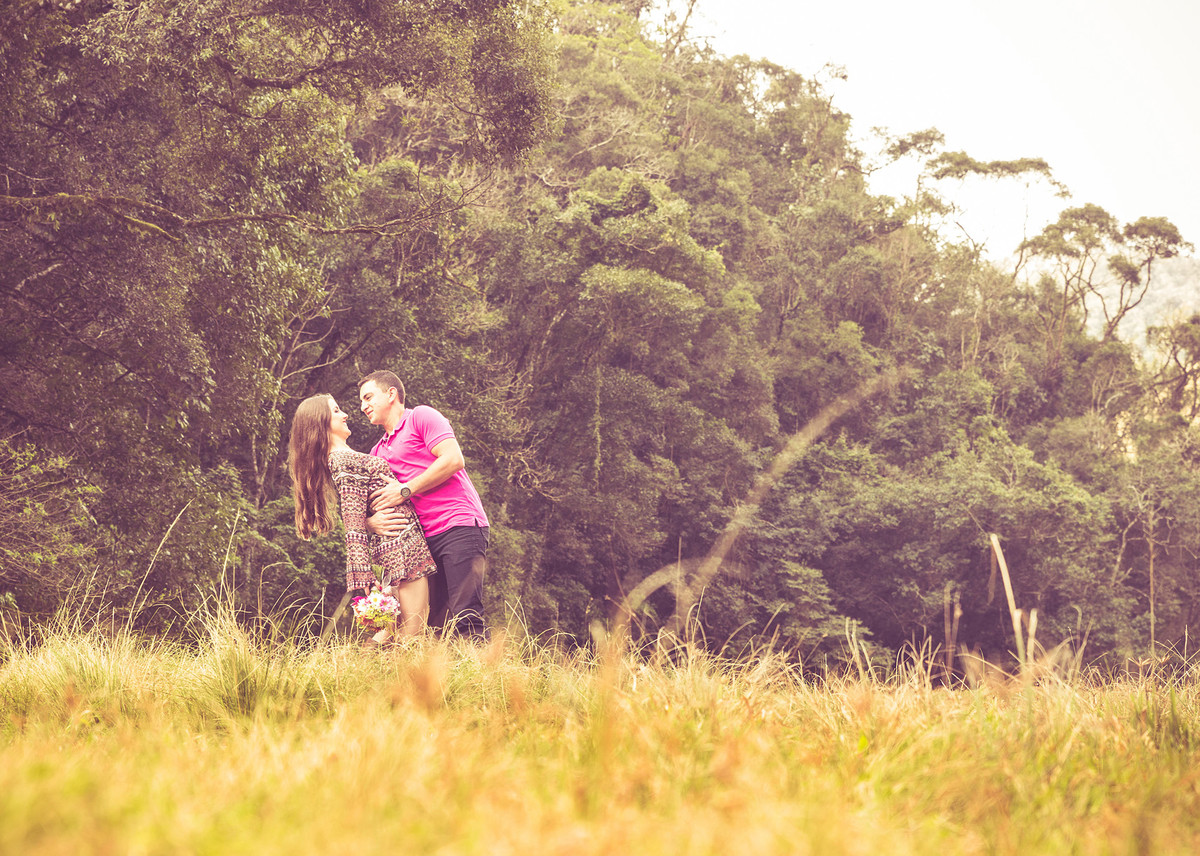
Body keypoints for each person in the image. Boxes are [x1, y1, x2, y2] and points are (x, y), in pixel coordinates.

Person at [288, 393, 436, 641]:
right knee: (413, 634)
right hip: (400, 548)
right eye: (336, 411)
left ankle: (364, 671)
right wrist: (361, 572)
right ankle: (367, 673)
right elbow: (353, 518)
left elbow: (358, 515)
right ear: (321, 422)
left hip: (397, 544)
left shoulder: (345, 458)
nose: (345, 414)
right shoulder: (343, 460)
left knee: (392, 633)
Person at [358, 370, 490, 640]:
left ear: (391, 393)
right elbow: (373, 506)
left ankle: (488, 681)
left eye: (369, 397)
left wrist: (405, 490)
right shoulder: (376, 453)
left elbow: (453, 459)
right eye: (362, 401)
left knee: (465, 615)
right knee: (431, 624)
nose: (363, 406)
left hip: (459, 525)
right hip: (420, 543)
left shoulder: (420, 417)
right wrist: (370, 523)